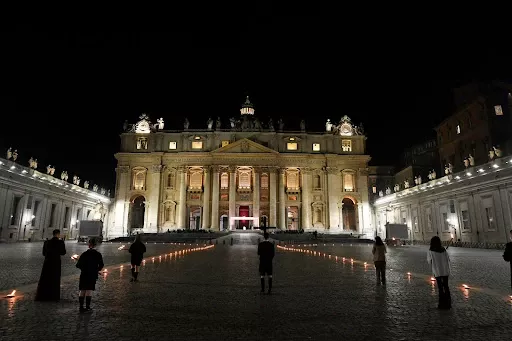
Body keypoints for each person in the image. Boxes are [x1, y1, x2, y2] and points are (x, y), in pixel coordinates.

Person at [35, 229, 66, 301]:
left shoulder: (46, 242)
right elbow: (63, 252)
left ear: (53, 234)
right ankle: (53, 296)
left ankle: (43, 296)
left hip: (47, 262)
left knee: (45, 278)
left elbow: (43, 253)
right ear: (58, 234)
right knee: (55, 279)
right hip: (56, 263)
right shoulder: (61, 242)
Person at [76, 238, 104, 312]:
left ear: (89, 245)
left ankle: (81, 307)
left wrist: (84, 268)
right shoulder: (98, 254)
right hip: (92, 275)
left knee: (82, 289)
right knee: (89, 290)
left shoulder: (84, 254)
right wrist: (96, 270)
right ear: (96, 245)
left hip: (84, 274)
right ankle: (88, 307)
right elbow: (101, 265)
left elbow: (78, 265)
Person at [427, 236, 451, 309]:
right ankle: (448, 303)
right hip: (445, 270)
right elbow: (448, 259)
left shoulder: (430, 251)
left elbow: (429, 261)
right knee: (446, 286)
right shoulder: (443, 250)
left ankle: (442, 304)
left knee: (440, 288)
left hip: (437, 271)